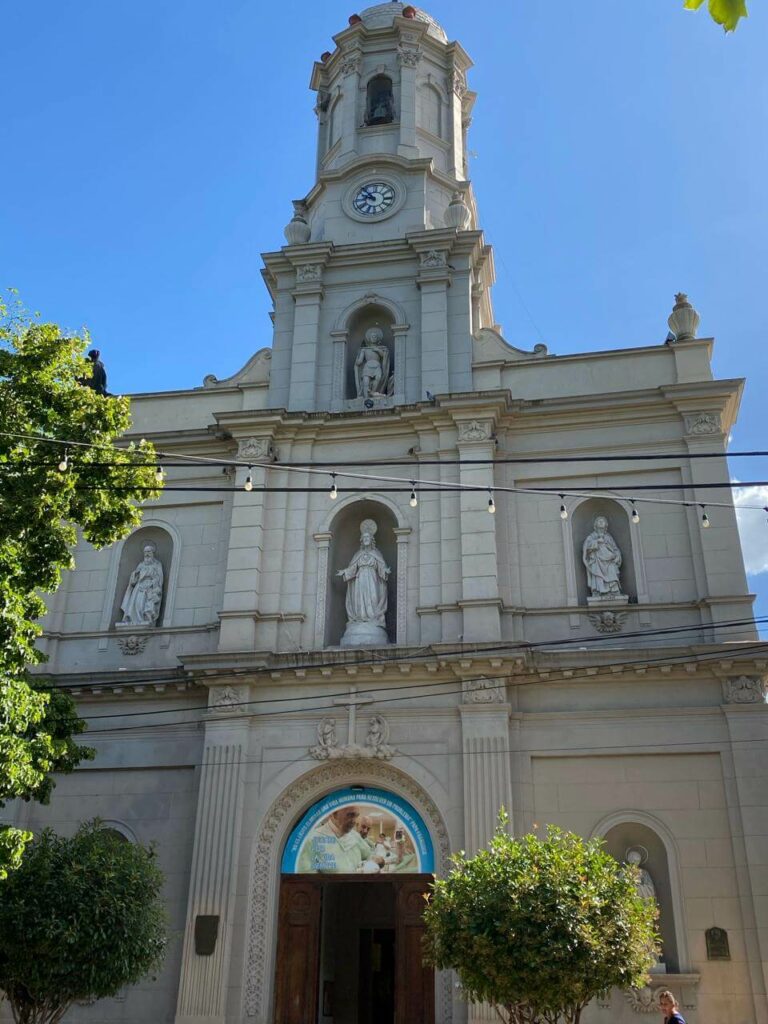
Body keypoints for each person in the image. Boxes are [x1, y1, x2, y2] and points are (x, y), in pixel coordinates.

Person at [119, 543, 164, 626]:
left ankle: (146, 619)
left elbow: (159, 578)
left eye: (149, 551)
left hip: (150, 587)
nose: (147, 554)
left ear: (152, 553)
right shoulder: (141, 564)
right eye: (145, 552)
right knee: (136, 604)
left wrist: (154, 584)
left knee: (147, 605)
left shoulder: (157, 564)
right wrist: (135, 575)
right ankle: (133, 620)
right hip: (139, 587)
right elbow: (135, 577)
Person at [582, 514, 623, 597]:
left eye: (603, 521)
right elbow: (586, 549)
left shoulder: (608, 537)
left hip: (609, 561)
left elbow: (615, 549)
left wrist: (617, 556)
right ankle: (599, 591)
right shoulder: (591, 537)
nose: (601, 522)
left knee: (612, 569)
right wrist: (597, 542)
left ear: (606, 525)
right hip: (597, 560)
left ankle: (613, 590)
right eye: (599, 521)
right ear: (595, 525)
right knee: (597, 574)